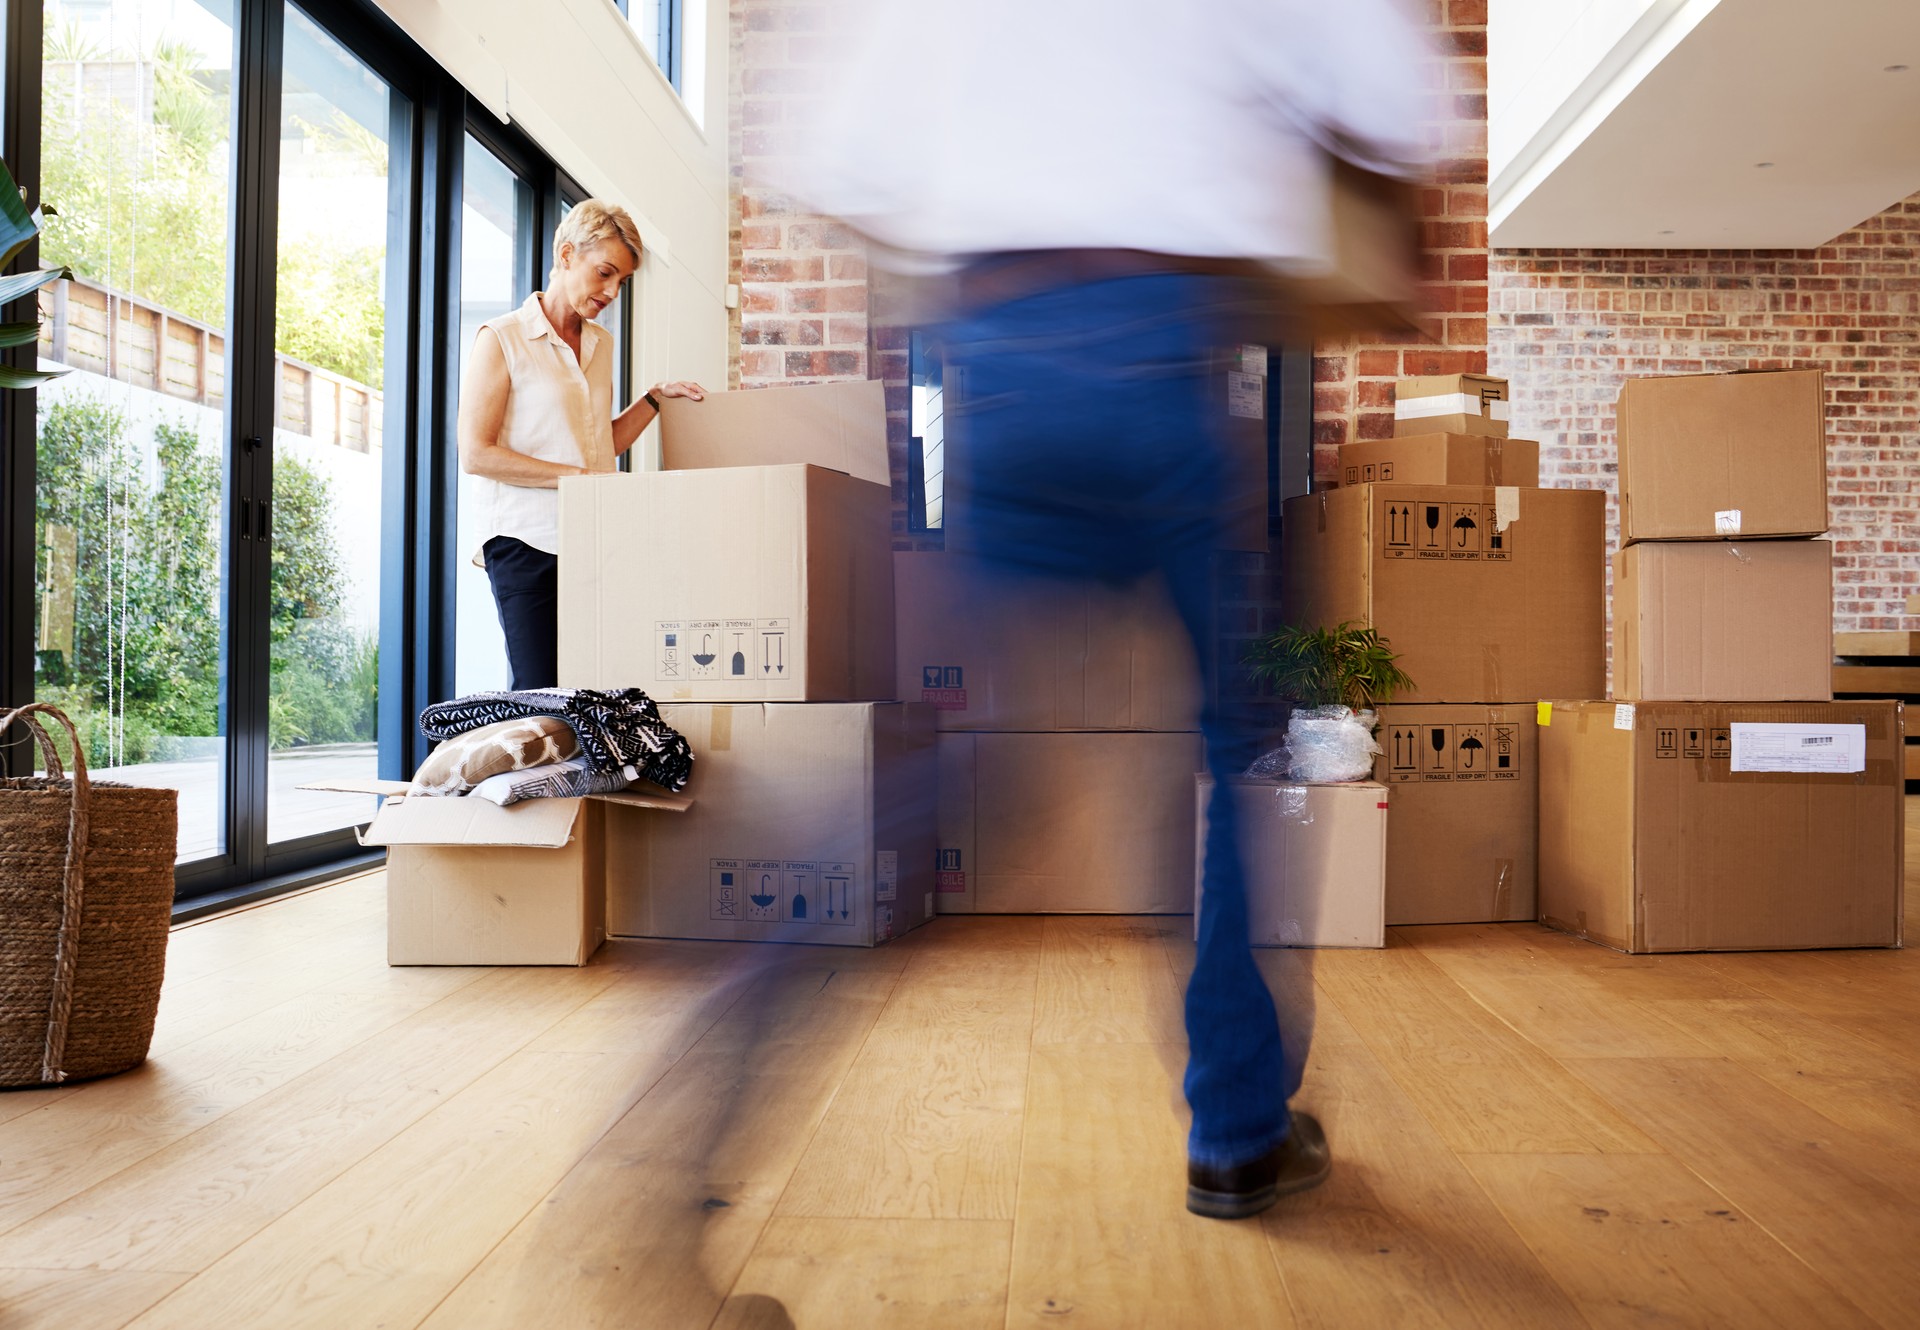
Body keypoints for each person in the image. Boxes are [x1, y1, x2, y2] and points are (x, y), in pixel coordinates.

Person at [791, 2, 1431, 1219]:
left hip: (1003, 365)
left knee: (932, 768)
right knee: (1225, 752)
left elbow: (847, 171)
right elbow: (1394, 121)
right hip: (1168, 346)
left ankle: (681, 1143)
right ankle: (1239, 1127)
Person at [458, 199, 707, 690]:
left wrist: (654, 400)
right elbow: (476, 453)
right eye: (605, 273)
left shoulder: (600, 344)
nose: (612, 292)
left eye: (622, 282)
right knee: (541, 693)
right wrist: (582, 481)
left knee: (595, 687)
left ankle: (590, 773)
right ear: (568, 254)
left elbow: (596, 447)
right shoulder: (502, 338)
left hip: (592, 540)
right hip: (524, 543)